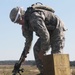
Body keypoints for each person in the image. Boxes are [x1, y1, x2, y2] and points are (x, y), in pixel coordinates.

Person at [9, 3, 66, 75]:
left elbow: (45, 36)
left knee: (56, 55)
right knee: (36, 49)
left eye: (18, 21)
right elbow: (28, 42)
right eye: (16, 22)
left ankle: (58, 73)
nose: (18, 23)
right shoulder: (25, 25)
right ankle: (44, 72)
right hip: (47, 32)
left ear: (22, 16)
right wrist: (23, 56)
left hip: (57, 29)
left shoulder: (34, 18)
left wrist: (43, 51)